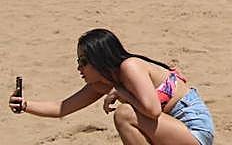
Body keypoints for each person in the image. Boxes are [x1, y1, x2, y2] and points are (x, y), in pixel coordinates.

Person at [9, 28, 214, 145]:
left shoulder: (130, 67)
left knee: (124, 114)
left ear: (99, 59)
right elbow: (61, 108)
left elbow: (152, 110)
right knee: (126, 114)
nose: (79, 68)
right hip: (173, 131)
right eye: (78, 61)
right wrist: (24, 105)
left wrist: (122, 93)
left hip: (194, 131)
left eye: (84, 62)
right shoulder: (103, 83)